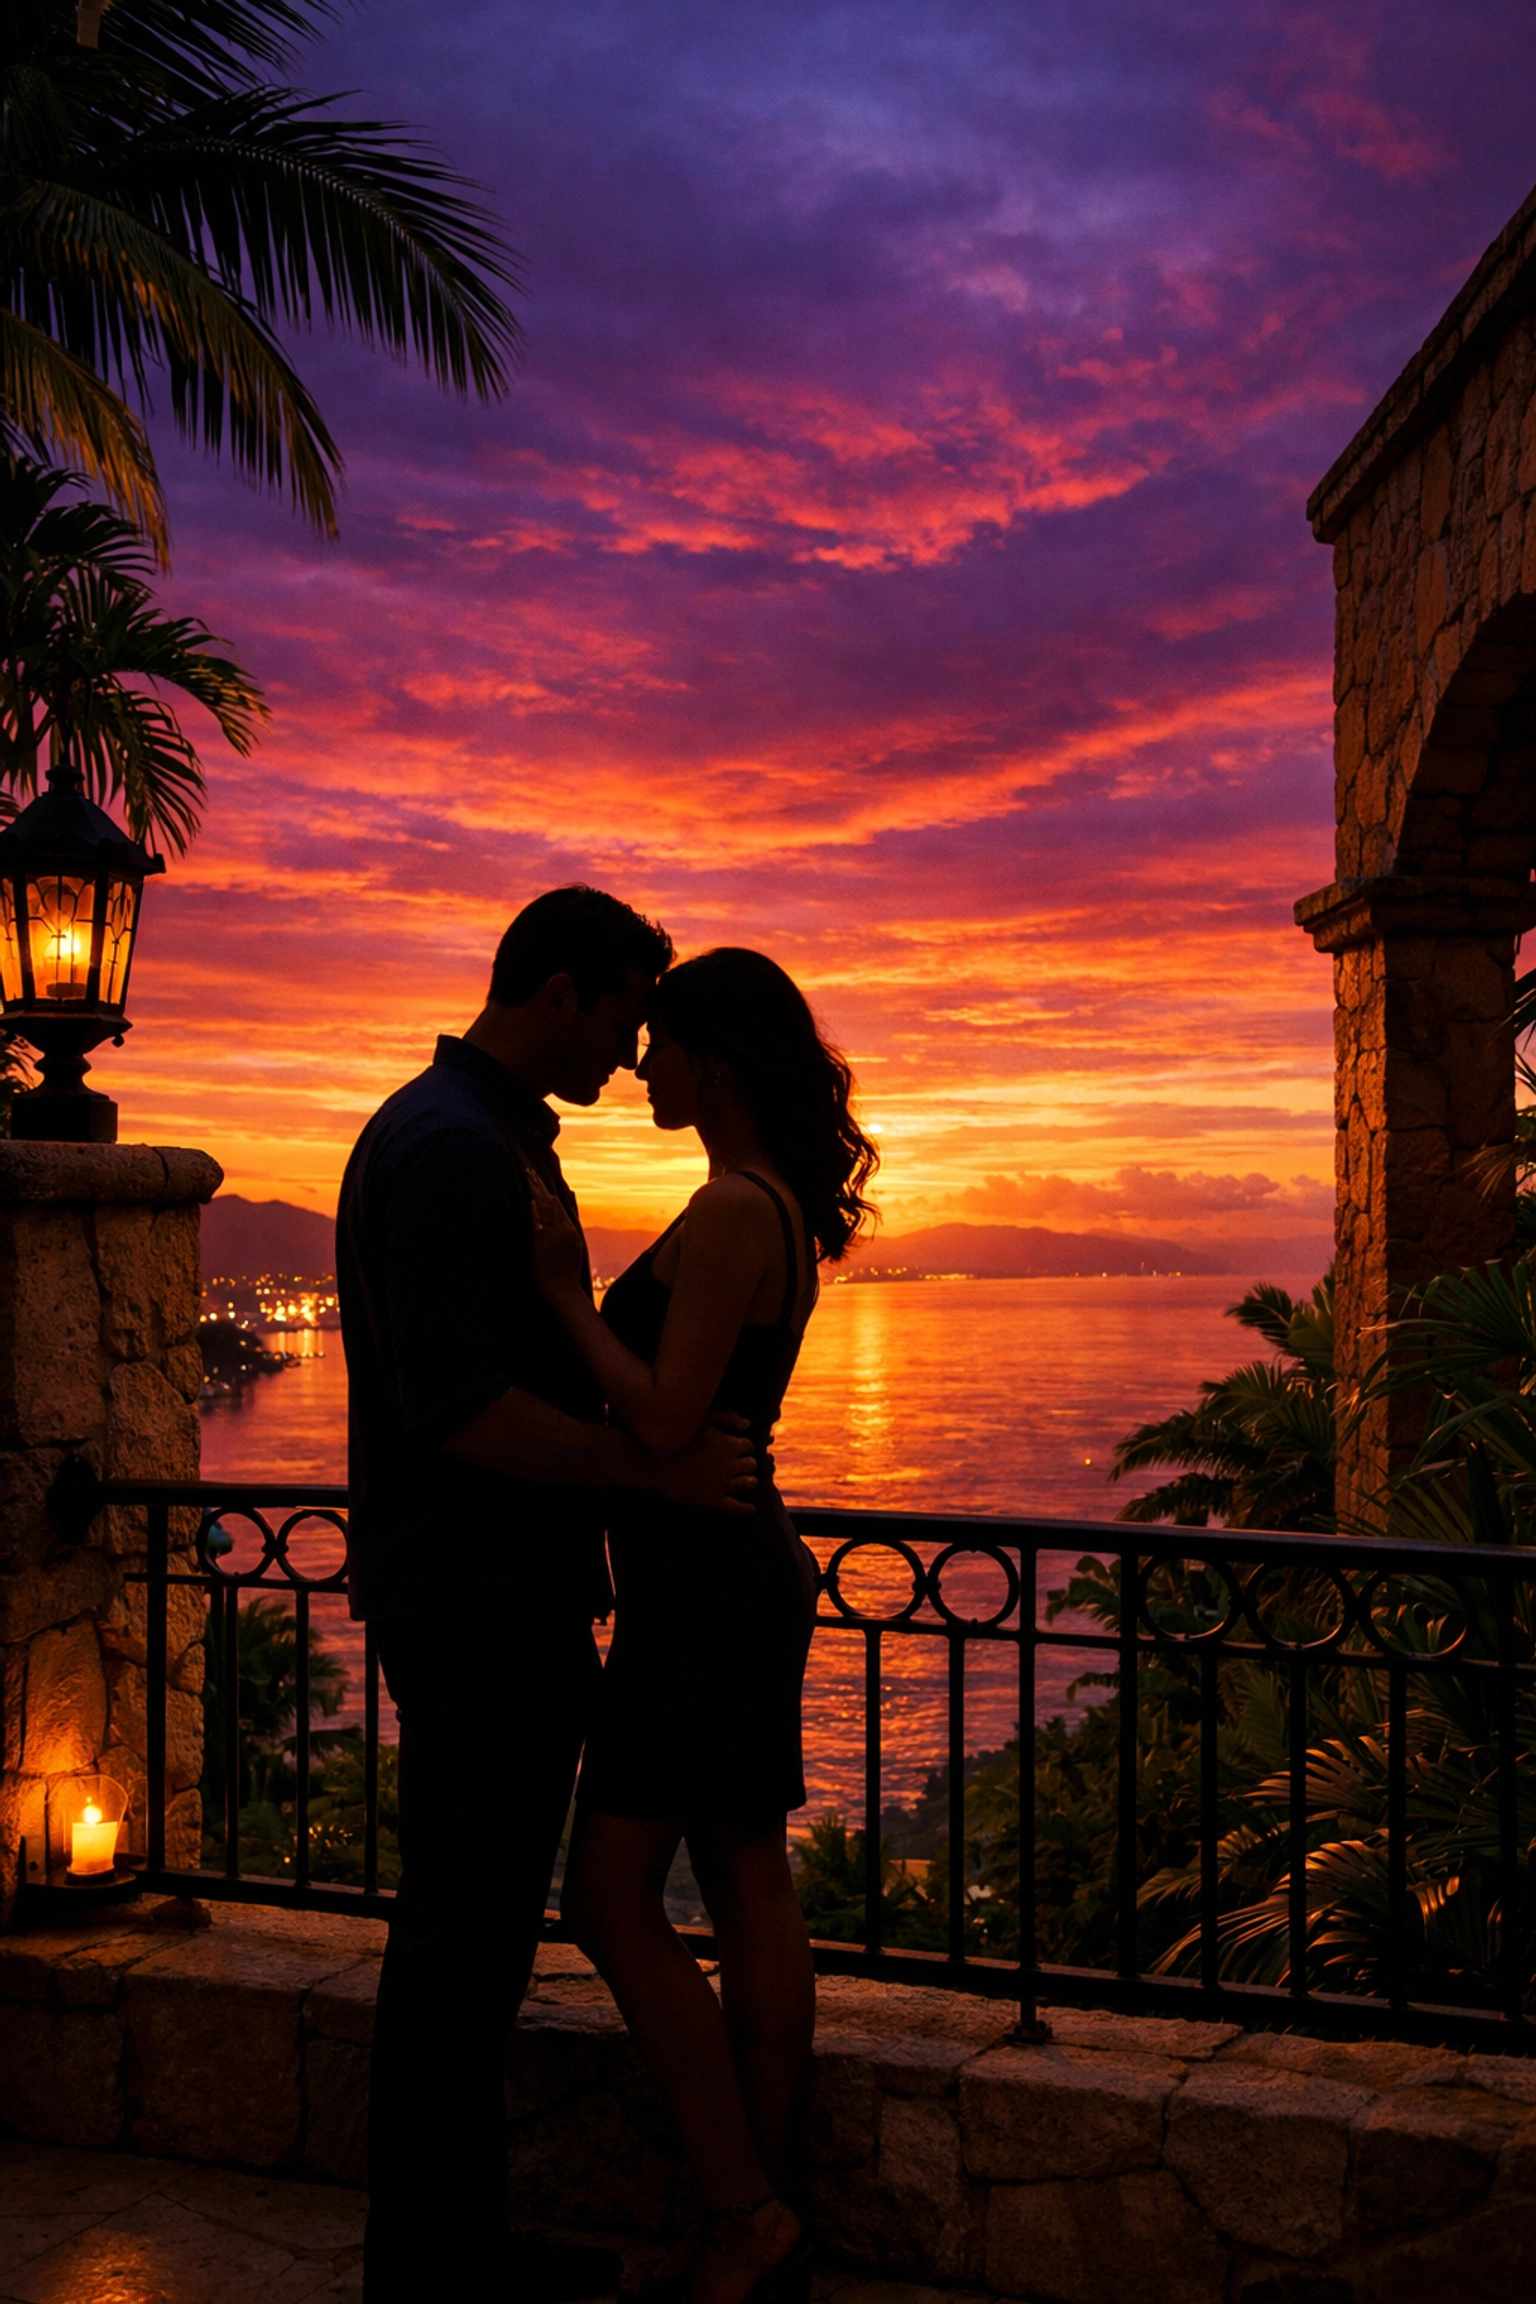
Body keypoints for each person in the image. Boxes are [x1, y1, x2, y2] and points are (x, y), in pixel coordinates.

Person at [337, 888, 762, 2304]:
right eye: (627, 1015)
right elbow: (459, 1406)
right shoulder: (457, 1149)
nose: (634, 1051)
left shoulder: (478, 1134)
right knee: (464, 1936)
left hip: (483, 1590)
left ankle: (452, 2247)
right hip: (477, 1600)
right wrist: (645, 1474)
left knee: (477, 1932)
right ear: (566, 994)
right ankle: (434, 2267)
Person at [525, 946, 878, 2304]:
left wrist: (564, 1296)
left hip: (704, 1590)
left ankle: (742, 2204)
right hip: (725, 1575)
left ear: (714, 1059)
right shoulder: (768, 1202)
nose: (639, 1062)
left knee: (609, 1899)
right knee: (743, 1877)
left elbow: (667, 1419)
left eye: (660, 1042)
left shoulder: (737, 1208)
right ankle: (759, 2213)